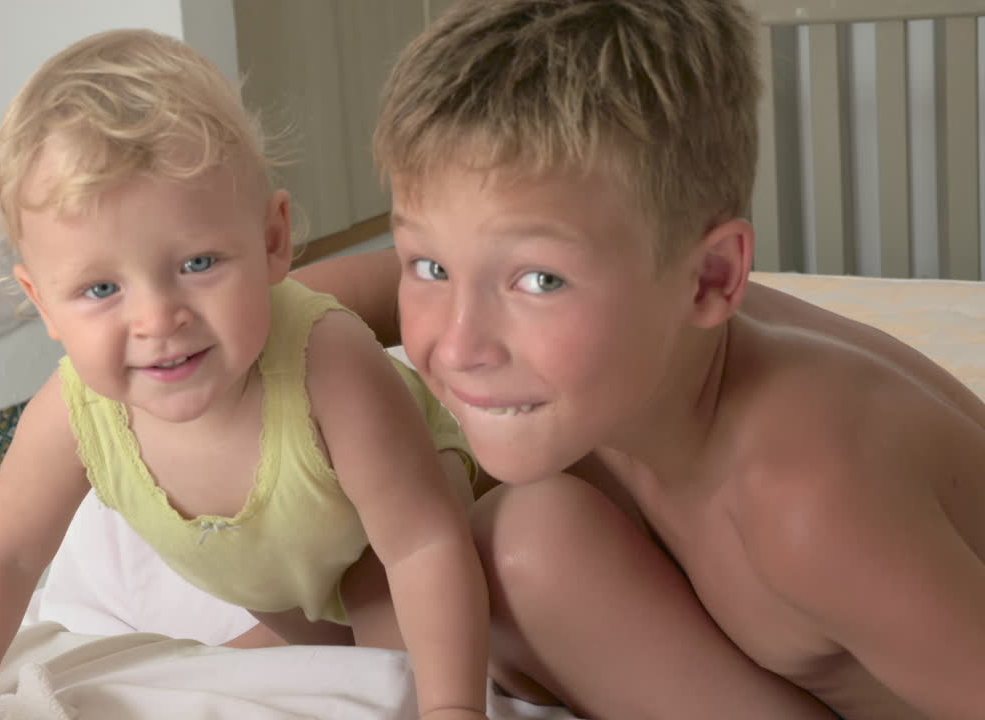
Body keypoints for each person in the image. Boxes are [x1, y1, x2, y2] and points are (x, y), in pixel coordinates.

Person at [297, 0, 985, 718]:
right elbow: (315, 303)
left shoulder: (806, 497)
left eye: (540, 281)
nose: (459, 346)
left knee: (515, 550)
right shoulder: (653, 333)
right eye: (432, 267)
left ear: (714, 278)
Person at [0, 28, 491, 720]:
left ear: (273, 241)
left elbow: (423, 544)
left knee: (379, 679)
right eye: (102, 290)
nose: (159, 320)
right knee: (284, 629)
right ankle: (299, 642)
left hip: (393, 549)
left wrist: (451, 708)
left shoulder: (331, 367)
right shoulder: (71, 415)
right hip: (280, 575)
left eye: (198, 264)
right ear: (42, 303)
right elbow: (1, 557)